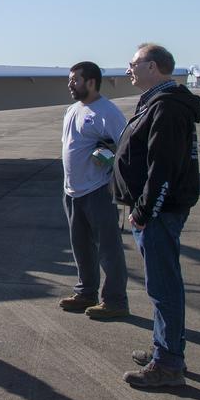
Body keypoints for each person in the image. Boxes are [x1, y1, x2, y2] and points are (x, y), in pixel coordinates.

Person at [113, 43, 200, 388]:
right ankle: (165, 349)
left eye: (134, 63)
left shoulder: (166, 108)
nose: (128, 70)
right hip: (158, 210)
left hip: (158, 213)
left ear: (153, 67)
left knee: (163, 288)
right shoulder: (161, 103)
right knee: (162, 286)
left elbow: (162, 169)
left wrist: (143, 211)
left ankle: (168, 365)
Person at [59, 61, 129, 319]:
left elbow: (125, 146)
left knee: (108, 248)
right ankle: (85, 292)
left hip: (98, 189)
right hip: (73, 191)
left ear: (91, 82)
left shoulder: (106, 111)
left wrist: (107, 154)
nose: (70, 84)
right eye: (70, 80)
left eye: (75, 80)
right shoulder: (72, 109)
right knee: (81, 245)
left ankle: (115, 300)